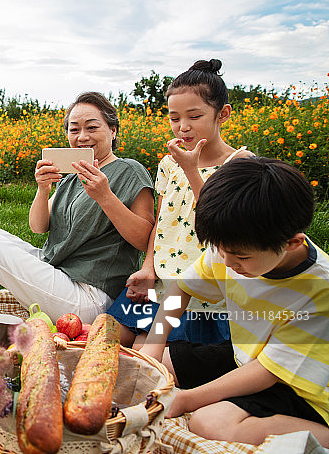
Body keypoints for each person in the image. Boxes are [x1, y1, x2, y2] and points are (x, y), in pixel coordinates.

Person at [140, 157, 329, 447]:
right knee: (148, 364)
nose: (227, 263)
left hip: (303, 389)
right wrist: (152, 348)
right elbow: (181, 289)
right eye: (221, 251)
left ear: (292, 242)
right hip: (247, 358)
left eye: (241, 257)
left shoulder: (320, 290)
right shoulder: (232, 244)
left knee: (209, 421)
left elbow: (268, 373)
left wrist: (188, 399)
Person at [0, 92, 155, 323]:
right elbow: (38, 226)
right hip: (58, 273)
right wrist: (43, 190)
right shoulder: (73, 175)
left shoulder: (129, 171)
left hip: (91, 296)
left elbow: (144, 240)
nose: (82, 136)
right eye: (74, 129)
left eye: (92, 127)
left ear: (113, 131)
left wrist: (106, 197)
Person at [107, 59, 253, 347]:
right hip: (160, 276)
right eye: (174, 118)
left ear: (222, 114)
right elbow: (162, 222)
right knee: (110, 339)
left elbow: (223, 225)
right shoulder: (169, 164)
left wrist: (191, 169)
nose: (182, 127)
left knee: (145, 355)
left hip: (201, 289)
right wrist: (148, 267)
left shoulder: (239, 163)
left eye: (194, 116)